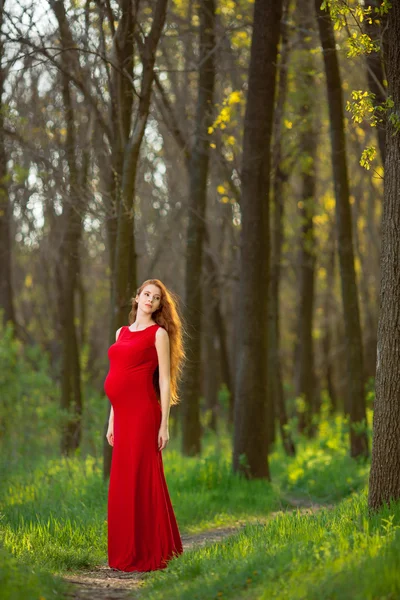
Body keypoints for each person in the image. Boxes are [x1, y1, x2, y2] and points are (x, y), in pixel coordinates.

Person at [104, 278, 186, 571]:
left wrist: (164, 424)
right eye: (146, 294)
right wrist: (112, 420)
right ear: (136, 298)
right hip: (122, 416)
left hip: (143, 414)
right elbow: (117, 376)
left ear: (159, 306)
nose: (150, 300)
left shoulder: (158, 334)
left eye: (156, 298)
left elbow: (164, 381)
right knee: (123, 482)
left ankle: (151, 550)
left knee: (142, 478)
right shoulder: (120, 332)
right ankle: (124, 551)